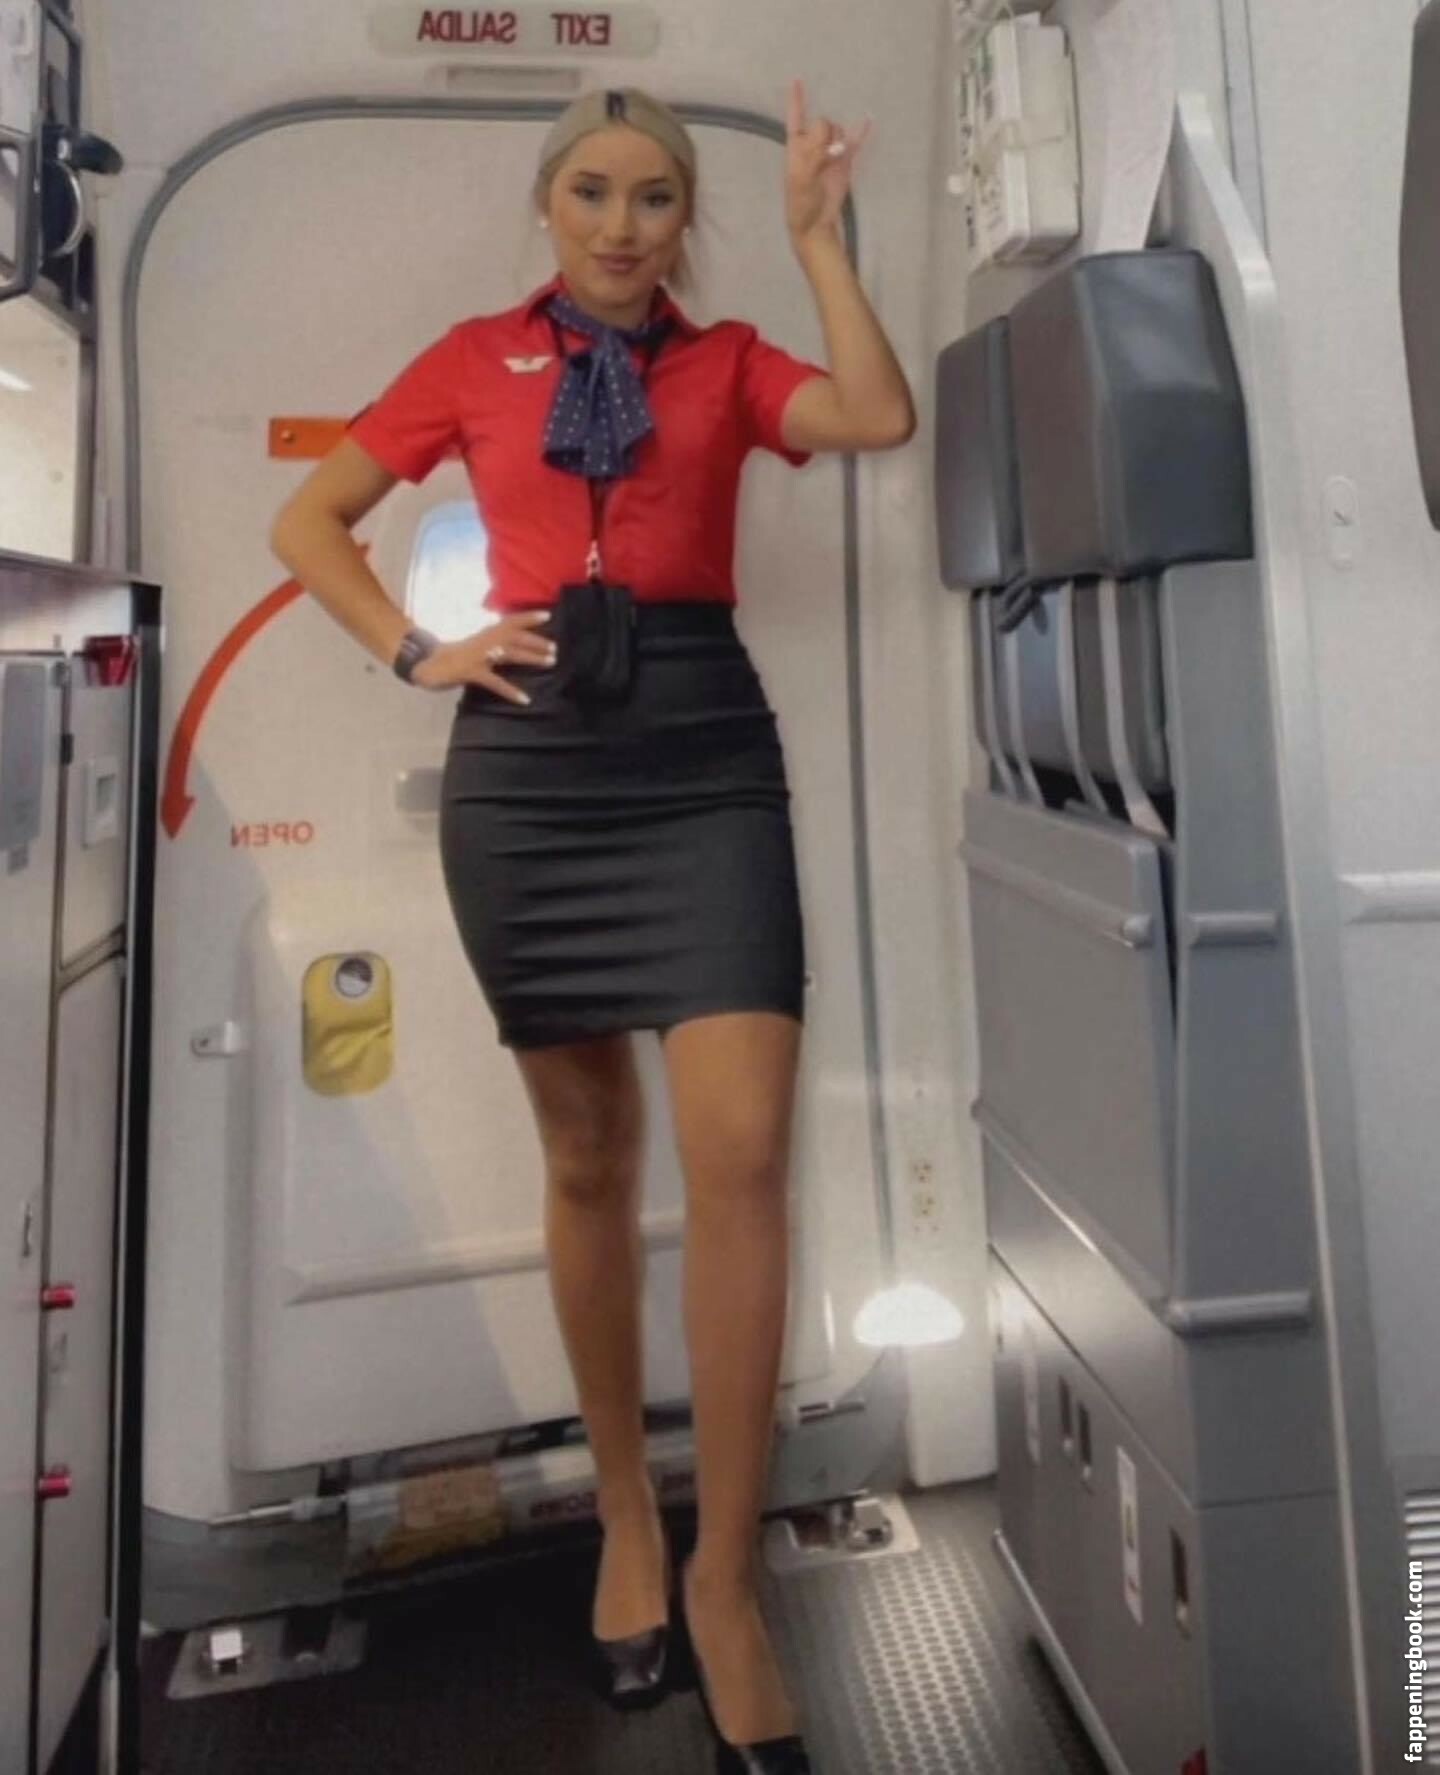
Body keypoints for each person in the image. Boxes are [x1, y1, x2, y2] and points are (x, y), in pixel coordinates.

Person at [270, 79, 914, 1773]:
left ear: (684, 217)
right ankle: (626, 1515)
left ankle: (724, 1580)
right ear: (548, 205)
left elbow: (876, 414)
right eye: (593, 194)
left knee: (743, 1152)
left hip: (704, 756)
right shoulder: (470, 358)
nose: (623, 227)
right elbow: (307, 522)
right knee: (586, 1159)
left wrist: (820, 238)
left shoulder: (730, 361)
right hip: (533, 767)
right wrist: (422, 650)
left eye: (654, 198)